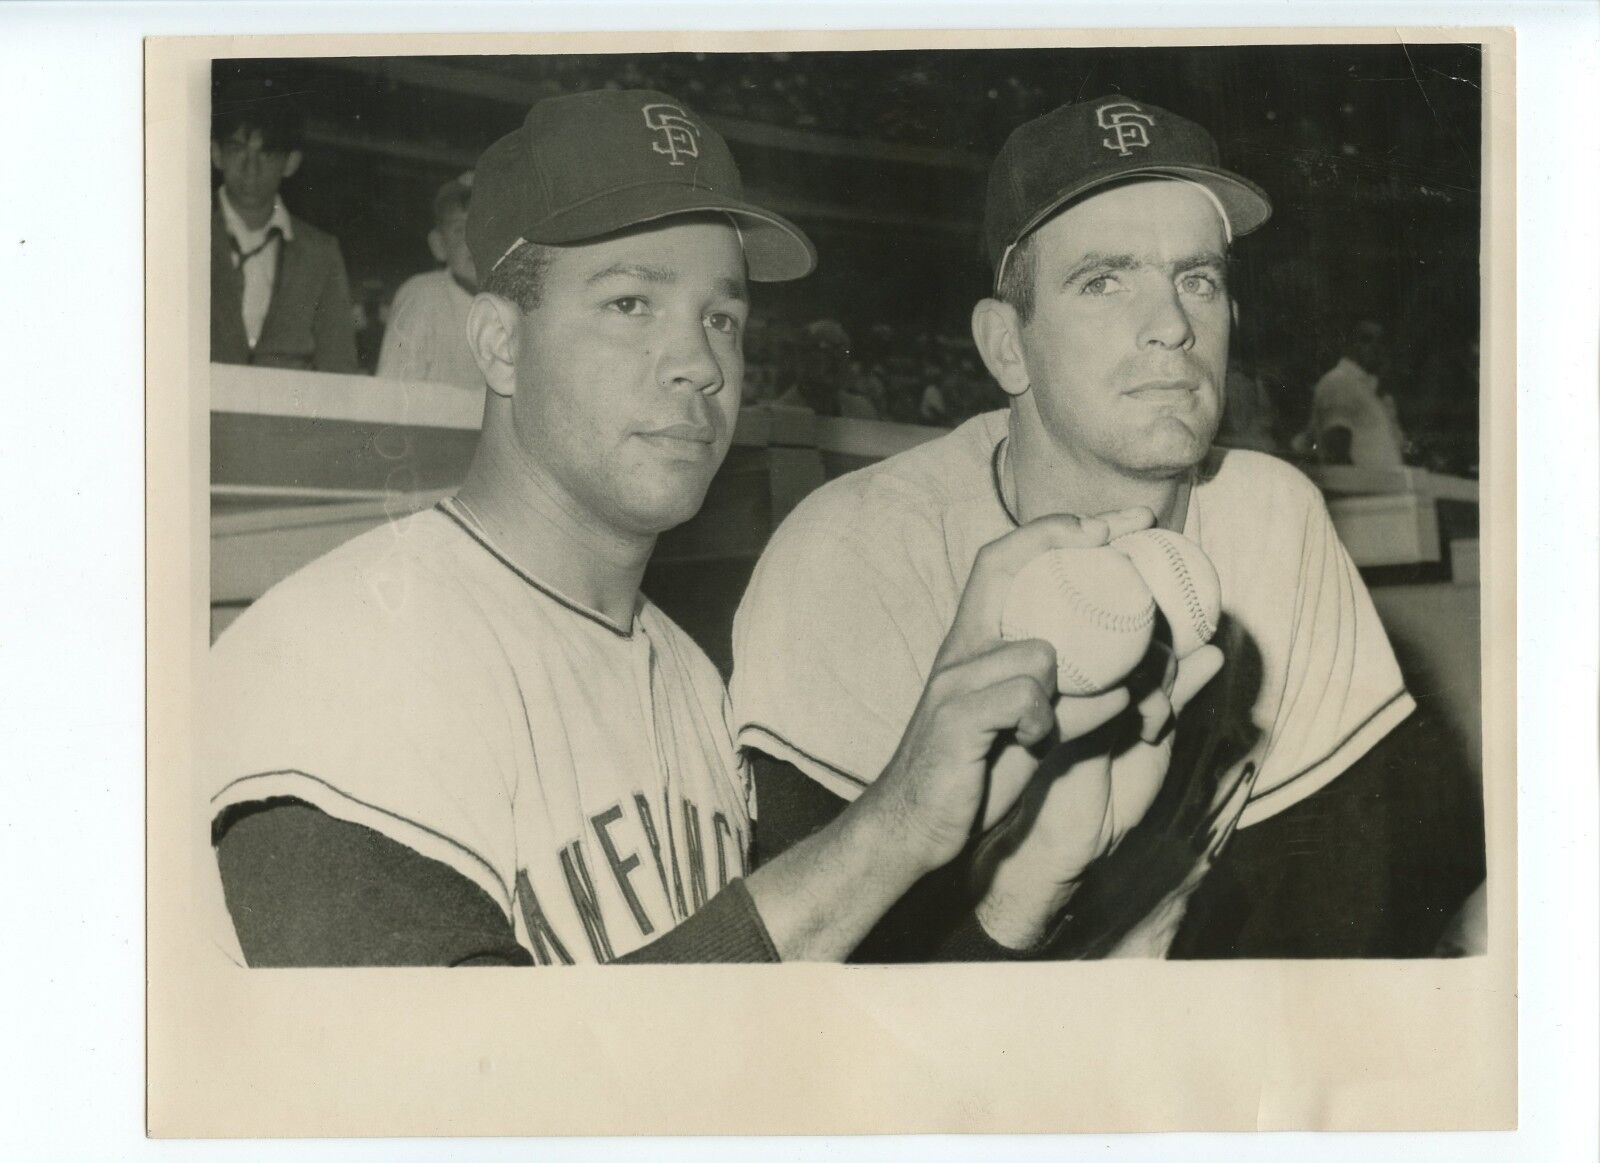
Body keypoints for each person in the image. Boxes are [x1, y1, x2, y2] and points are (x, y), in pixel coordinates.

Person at [200, 90, 1168, 967]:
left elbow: (765, 1068)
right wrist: (889, 825)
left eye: (722, 320)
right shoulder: (336, 653)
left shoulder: (692, 682)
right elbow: (459, 1102)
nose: (698, 363)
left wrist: (1020, 893)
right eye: (631, 302)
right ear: (499, 341)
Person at [731, 95, 1484, 958]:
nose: (1172, 325)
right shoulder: (851, 554)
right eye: (1104, 280)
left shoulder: (1274, 516)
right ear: (1007, 346)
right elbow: (826, 1015)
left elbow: (1328, 923)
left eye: (1198, 279)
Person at [209, 83, 358, 373]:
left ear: (290, 163)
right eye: (238, 148)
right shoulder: (180, 236)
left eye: (266, 152)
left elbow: (340, 366)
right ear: (216, 153)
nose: (251, 167)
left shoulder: (321, 254)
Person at [376, 173, 485, 388]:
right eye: (460, 230)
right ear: (438, 245)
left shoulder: (515, 306)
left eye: (485, 228)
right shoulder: (424, 295)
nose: (474, 241)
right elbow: (392, 389)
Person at [1302, 319, 1406, 467]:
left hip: (1388, 487)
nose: (1376, 348)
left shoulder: (1373, 391)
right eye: (1366, 340)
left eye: (1381, 342)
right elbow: (1337, 457)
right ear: (1348, 344)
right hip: (1361, 488)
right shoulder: (1339, 382)